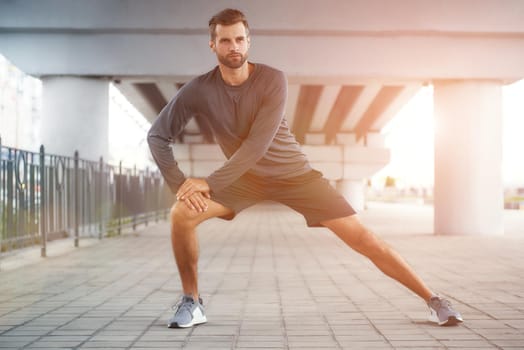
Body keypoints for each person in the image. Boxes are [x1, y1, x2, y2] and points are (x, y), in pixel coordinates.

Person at [147, 8, 463, 329]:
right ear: (212, 45)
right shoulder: (199, 89)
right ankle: (192, 302)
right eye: (226, 41)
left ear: (249, 41)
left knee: (363, 238)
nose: (234, 47)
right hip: (242, 180)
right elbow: (157, 135)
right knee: (181, 213)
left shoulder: (271, 79)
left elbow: (257, 146)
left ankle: (434, 299)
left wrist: (208, 182)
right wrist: (181, 184)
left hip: (295, 177)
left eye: (240, 39)